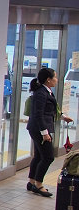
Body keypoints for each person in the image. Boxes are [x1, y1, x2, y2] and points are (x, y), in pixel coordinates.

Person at [26, 67, 73, 197]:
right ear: (48, 80)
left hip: (37, 128)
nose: (56, 79)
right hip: (39, 129)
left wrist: (63, 117)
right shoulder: (41, 93)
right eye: (55, 77)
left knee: (39, 156)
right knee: (48, 157)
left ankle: (31, 182)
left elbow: (50, 109)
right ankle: (38, 185)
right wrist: (44, 133)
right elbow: (39, 114)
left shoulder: (45, 91)